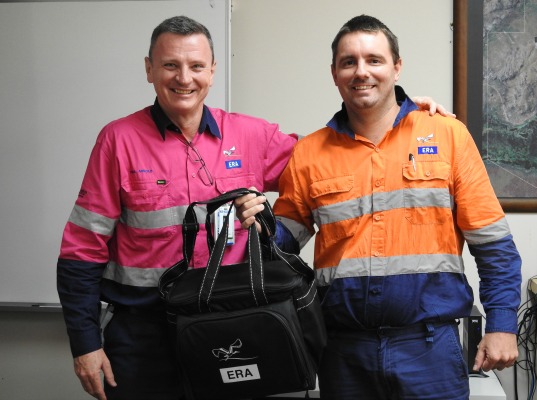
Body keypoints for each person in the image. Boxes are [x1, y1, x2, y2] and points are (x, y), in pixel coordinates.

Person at [56, 14, 453, 400]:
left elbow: (337, 158)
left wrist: (401, 118)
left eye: (196, 66)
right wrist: (85, 344)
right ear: (149, 69)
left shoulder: (253, 135)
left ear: (212, 71)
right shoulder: (117, 140)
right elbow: (80, 253)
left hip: (229, 330)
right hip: (143, 339)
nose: (184, 78)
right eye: (170, 65)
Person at [236, 14, 521, 400]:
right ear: (334, 73)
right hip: (343, 351)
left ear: (397, 67)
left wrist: (502, 325)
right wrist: (263, 225)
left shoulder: (447, 135)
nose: (361, 72)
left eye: (374, 60)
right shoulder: (309, 153)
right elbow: (284, 245)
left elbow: (493, 245)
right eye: (348, 62)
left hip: (429, 349)